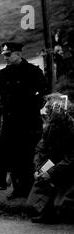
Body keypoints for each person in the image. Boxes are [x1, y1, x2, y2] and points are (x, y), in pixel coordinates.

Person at [0, 42, 48, 200]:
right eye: (4, 55)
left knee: (27, 156)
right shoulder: (4, 73)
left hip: (29, 122)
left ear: (18, 54)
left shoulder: (33, 71)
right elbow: (3, 98)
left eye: (8, 54)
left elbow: (44, 93)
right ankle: (17, 189)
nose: (5, 58)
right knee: (13, 157)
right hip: (10, 123)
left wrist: (31, 106)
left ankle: (29, 189)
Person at [27, 95, 74, 223]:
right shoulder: (49, 128)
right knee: (32, 204)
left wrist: (51, 172)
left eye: (49, 109)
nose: (46, 112)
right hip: (55, 164)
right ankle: (47, 210)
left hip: (69, 168)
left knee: (62, 206)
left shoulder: (71, 128)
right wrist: (39, 169)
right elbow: (40, 150)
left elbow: (70, 159)